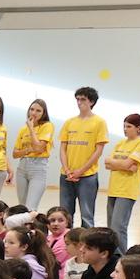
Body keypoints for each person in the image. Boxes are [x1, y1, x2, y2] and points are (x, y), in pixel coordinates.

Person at [58, 86, 108, 226]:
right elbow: (63, 148)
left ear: (91, 102)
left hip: (87, 177)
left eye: (83, 99)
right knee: (65, 215)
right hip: (67, 175)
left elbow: (98, 151)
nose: (79, 102)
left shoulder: (99, 122)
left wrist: (81, 171)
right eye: (77, 99)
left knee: (87, 215)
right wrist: (67, 169)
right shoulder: (69, 122)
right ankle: (65, 245)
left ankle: (87, 246)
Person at [103, 112, 140, 244]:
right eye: (124, 126)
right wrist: (123, 165)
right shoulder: (120, 143)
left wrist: (118, 164)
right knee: (110, 229)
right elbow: (107, 164)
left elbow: (128, 164)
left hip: (127, 190)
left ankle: (122, 259)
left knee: (118, 227)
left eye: (129, 126)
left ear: (138, 128)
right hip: (113, 189)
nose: (125, 129)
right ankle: (112, 258)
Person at [12, 97, 55, 211]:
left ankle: (31, 228)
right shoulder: (22, 129)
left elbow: (39, 148)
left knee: (30, 207)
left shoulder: (47, 126)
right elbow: (15, 154)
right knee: (22, 206)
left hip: (38, 167)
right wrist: (28, 150)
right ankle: (23, 229)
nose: (34, 113)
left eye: (38, 111)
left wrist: (31, 129)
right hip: (22, 167)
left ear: (44, 113)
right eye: (32, 109)